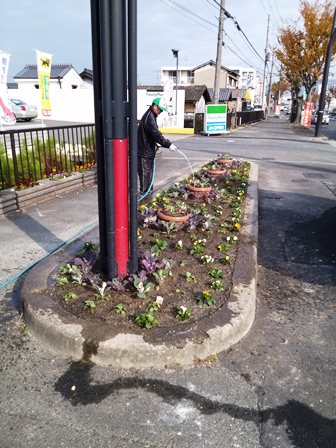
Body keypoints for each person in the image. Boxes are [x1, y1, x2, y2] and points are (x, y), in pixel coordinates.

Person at [137, 97, 177, 197]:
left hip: (147, 150)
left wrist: (156, 141)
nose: (161, 112)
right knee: (145, 175)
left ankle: (148, 193)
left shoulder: (151, 115)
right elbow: (156, 134)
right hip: (144, 151)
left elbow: (153, 133)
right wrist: (168, 144)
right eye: (160, 109)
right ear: (155, 106)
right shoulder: (149, 117)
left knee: (148, 175)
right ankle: (144, 196)